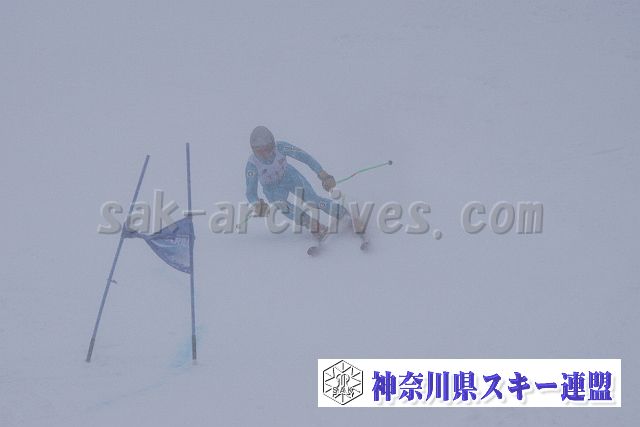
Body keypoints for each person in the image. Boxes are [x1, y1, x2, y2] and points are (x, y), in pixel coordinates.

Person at [244, 126, 348, 239]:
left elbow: (304, 157)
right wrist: (257, 204)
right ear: (253, 150)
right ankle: (314, 225)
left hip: (289, 177)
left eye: (268, 149)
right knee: (283, 207)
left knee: (312, 200)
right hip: (272, 189)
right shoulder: (252, 165)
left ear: (273, 145)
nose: (265, 155)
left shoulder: (281, 147)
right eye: (259, 151)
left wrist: (323, 174)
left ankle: (342, 213)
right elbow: (250, 192)